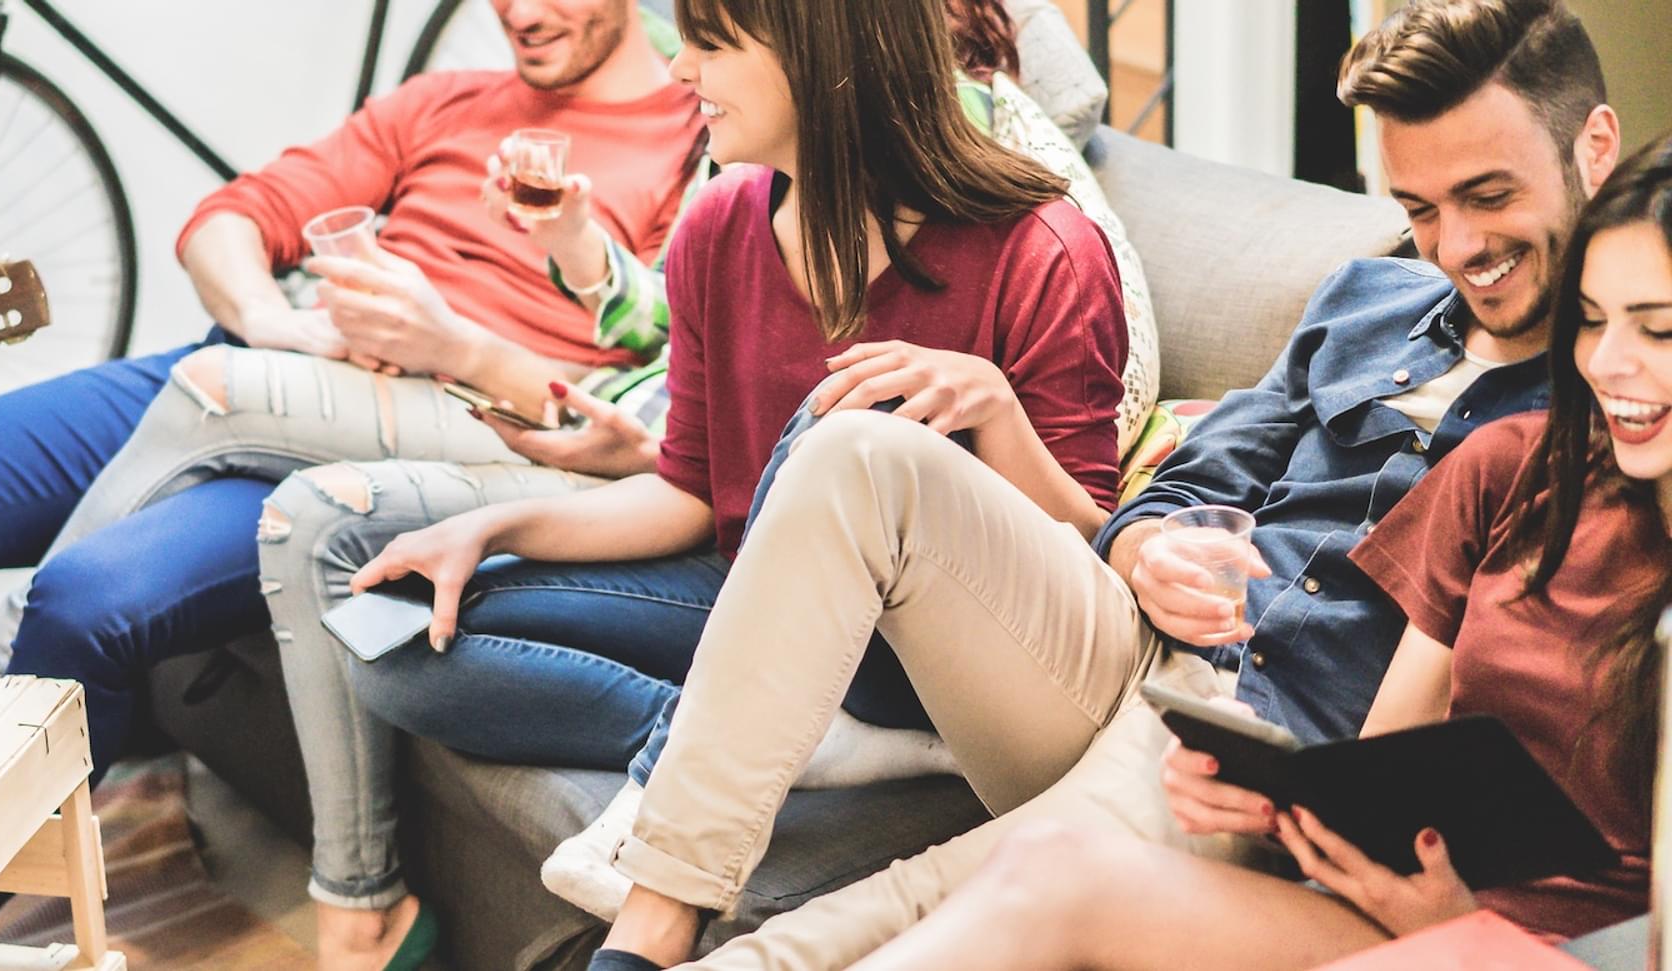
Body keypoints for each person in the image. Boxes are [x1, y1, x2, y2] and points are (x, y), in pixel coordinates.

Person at [566, 1, 1622, 967]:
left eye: (1489, 196)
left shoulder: (1614, 406)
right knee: (856, 450)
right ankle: (658, 905)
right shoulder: (1366, 300)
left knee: (905, 905)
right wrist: (1144, 547)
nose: (1461, 247)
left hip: (1268, 757)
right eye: (1421, 208)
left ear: (1595, 148)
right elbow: (1188, 482)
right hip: (1134, 653)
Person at [258, 1, 1151, 965]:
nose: (678, 70)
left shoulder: (1043, 247)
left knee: (835, 426)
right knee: (392, 638)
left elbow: (1089, 557)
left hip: (931, 655)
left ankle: (750, 752)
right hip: (752, 598)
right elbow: (688, 489)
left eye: (711, 45)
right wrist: (494, 528)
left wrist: (995, 412)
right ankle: (785, 740)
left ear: (822, 57)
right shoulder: (721, 223)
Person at [0, 0, 705, 780]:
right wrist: (275, 321)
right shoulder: (446, 100)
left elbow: (648, 409)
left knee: (75, 608)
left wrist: (454, 346)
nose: (522, 12)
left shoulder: (693, 140)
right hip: (244, 368)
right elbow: (231, 217)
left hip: (401, 431)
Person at [856, 130, 1671, 970]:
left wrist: (1452, 923)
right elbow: (1378, 778)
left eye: (1660, 331)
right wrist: (1271, 803)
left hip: (1546, 952)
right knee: (1047, 869)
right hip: (1387, 910)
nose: (1609, 363)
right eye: (1593, 320)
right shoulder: (1507, 470)